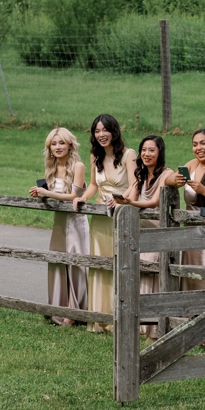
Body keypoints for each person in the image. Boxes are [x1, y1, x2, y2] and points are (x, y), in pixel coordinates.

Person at [73, 114, 135, 333]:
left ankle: (121, 317)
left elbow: (134, 184)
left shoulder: (129, 155)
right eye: (97, 131)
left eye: (105, 130)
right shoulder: (94, 155)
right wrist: (83, 197)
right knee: (100, 264)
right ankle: (100, 318)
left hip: (121, 215)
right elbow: (92, 185)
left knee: (120, 264)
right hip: (100, 218)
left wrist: (120, 200)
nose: (101, 135)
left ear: (114, 131)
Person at [29, 127, 89, 325]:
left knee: (75, 264)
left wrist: (47, 194)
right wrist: (40, 194)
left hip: (75, 222)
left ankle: (74, 313)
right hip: (59, 223)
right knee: (56, 262)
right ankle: (57, 308)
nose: (57, 147)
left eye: (61, 143)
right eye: (53, 144)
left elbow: (75, 196)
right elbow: (54, 196)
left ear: (70, 144)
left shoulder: (78, 166)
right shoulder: (51, 168)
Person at [117, 135, 172, 339]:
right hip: (142, 231)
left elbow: (153, 202)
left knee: (156, 276)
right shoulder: (140, 175)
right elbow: (129, 195)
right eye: (144, 150)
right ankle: (143, 325)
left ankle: (155, 329)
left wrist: (130, 204)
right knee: (142, 275)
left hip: (158, 232)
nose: (147, 154)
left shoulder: (166, 174)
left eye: (151, 150)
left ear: (160, 152)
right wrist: (120, 200)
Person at [164, 129, 205, 300]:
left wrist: (203, 190)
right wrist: (175, 180)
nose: (198, 148)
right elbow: (167, 179)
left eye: (203, 143)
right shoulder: (192, 165)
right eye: (195, 144)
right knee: (190, 270)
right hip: (190, 228)